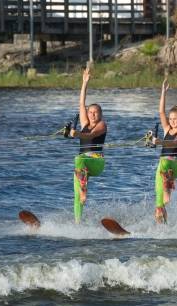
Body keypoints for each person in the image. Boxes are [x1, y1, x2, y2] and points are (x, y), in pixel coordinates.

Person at [70, 66, 107, 223]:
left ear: (100, 114)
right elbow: (81, 102)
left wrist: (76, 133)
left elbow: (91, 135)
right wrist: (84, 82)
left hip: (96, 162)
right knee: (76, 194)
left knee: (78, 159)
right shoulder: (84, 122)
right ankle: (78, 222)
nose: (92, 114)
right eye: (90, 112)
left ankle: (84, 187)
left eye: (95, 112)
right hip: (82, 166)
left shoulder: (102, 125)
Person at [150, 78, 177, 224]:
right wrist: (163, 92)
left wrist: (160, 142)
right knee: (158, 201)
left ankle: (168, 190)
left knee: (165, 162)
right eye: (170, 118)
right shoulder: (167, 129)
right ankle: (162, 224)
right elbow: (160, 112)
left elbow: (174, 142)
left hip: (175, 165)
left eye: (175, 119)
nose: (171, 121)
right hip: (163, 167)